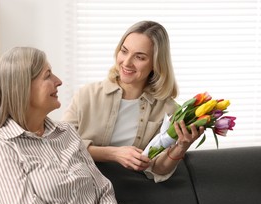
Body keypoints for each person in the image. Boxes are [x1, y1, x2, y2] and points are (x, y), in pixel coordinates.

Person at [0, 46, 171, 204]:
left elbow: (102, 189)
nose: (58, 81)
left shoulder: (67, 133)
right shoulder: (1, 146)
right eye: (48, 75)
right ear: (23, 86)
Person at [62, 20, 204, 182]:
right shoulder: (87, 95)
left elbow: (158, 167)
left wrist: (181, 147)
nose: (127, 62)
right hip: (81, 184)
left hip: (133, 189)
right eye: (124, 51)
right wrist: (114, 154)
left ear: (156, 63)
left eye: (140, 57)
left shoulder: (168, 109)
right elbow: (60, 146)